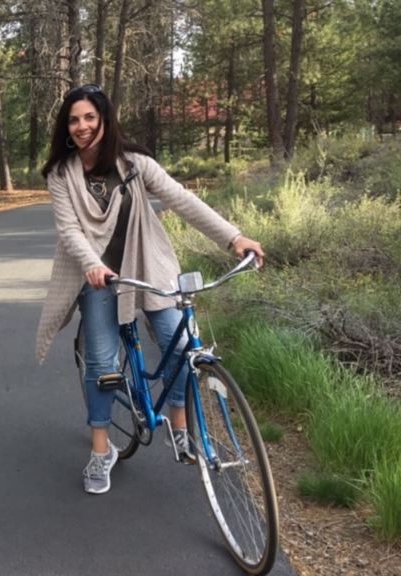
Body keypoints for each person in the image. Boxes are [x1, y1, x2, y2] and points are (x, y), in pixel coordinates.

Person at [34, 84, 264, 495]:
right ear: (66, 128)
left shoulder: (135, 163)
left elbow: (183, 200)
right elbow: (69, 230)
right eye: (74, 120)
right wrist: (92, 265)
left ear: (105, 120)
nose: (82, 126)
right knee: (101, 364)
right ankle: (102, 449)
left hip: (146, 264)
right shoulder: (61, 174)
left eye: (90, 117)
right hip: (98, 275)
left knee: (181, 345)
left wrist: (234, 238)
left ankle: (180, 427)